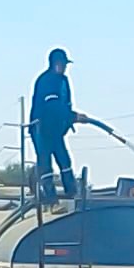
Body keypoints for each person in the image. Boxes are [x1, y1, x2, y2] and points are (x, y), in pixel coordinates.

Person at [30, 48, 95, 205]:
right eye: (62, 64)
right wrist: (73, 116)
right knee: (45, 163)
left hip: (55, 130)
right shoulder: (46, 80)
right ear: (54, 64)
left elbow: (63, 106)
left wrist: (71, 118)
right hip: (42, 128)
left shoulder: (63, 81)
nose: (65, 67)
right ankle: (50, 197)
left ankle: (72, 192)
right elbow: (52, 107)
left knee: (64, 160)